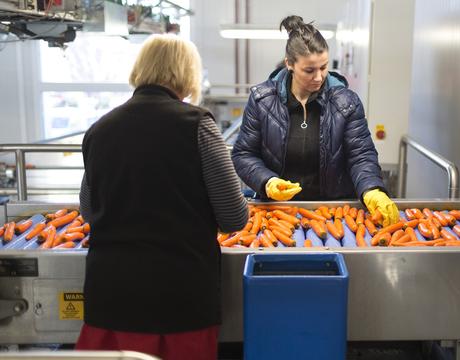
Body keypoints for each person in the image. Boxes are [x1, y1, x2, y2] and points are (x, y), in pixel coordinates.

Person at [75, 34, 248, 360]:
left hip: (111, 294)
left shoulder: (99, 130)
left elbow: (87, 209)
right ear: (186, 73)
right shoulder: (197, 125)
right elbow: (233, 216)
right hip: (178, 296)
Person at [232, 15, 399, 226]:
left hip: (333, 214)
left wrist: (372, 189)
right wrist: (268, 181)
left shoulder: (346, 102)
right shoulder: (262, 101)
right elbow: (243, 154)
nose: (319, 77)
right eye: (309, 70)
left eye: (323, 67)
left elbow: (361, 155)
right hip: (277, 214)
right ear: (289, 64)